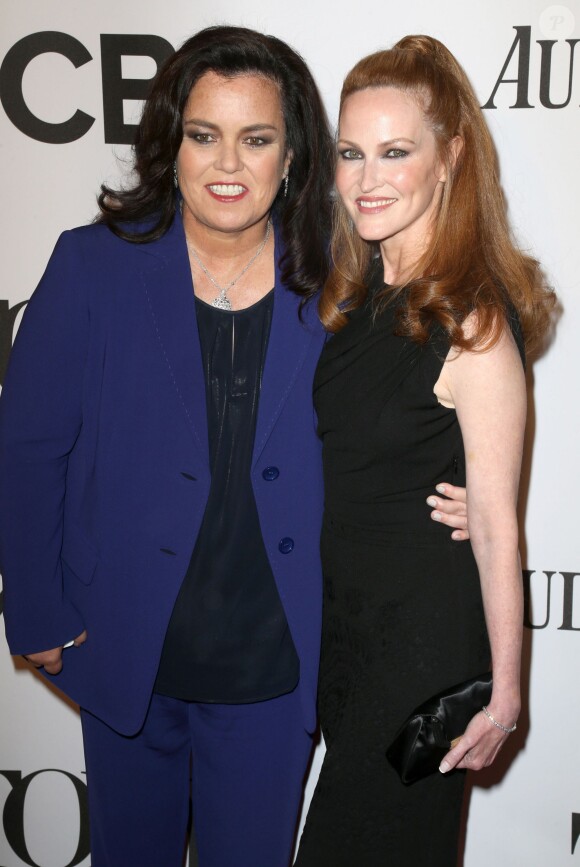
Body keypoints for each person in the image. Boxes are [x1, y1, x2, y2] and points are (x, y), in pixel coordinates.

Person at [0, 26, 468, 867]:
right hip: (122, 648)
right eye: (204, 134)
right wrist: (35, 608)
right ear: (170, 143)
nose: (229, 162)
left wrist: (469, 493)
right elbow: (30, 446)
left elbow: (401, 413)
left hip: (275, 662)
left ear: (291, 156)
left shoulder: (344, 281)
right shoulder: (92, 267)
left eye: (256, 139)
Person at [295, 35, 555, 867]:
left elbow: (495, 526)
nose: (367, 178)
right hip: (350, 642)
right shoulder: (357, 298)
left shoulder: (471, 322)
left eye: (395, 152)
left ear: (448, 159)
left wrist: (507, 692)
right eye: (351, 152)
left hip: (419, 654)